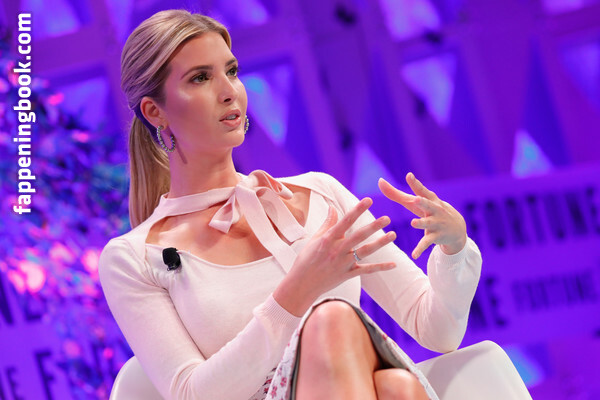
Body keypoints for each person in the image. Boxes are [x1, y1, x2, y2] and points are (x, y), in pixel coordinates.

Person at [98, 9, 482, 400]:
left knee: (394, 383)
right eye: (200, 78)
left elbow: (438, 331)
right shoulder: (133, 258)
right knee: (350, 337)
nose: (229, 91)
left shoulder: (320, 195)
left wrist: (454, 249)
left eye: (231, 71)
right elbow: (190, 394)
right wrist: (296, 292)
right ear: (155, 111)